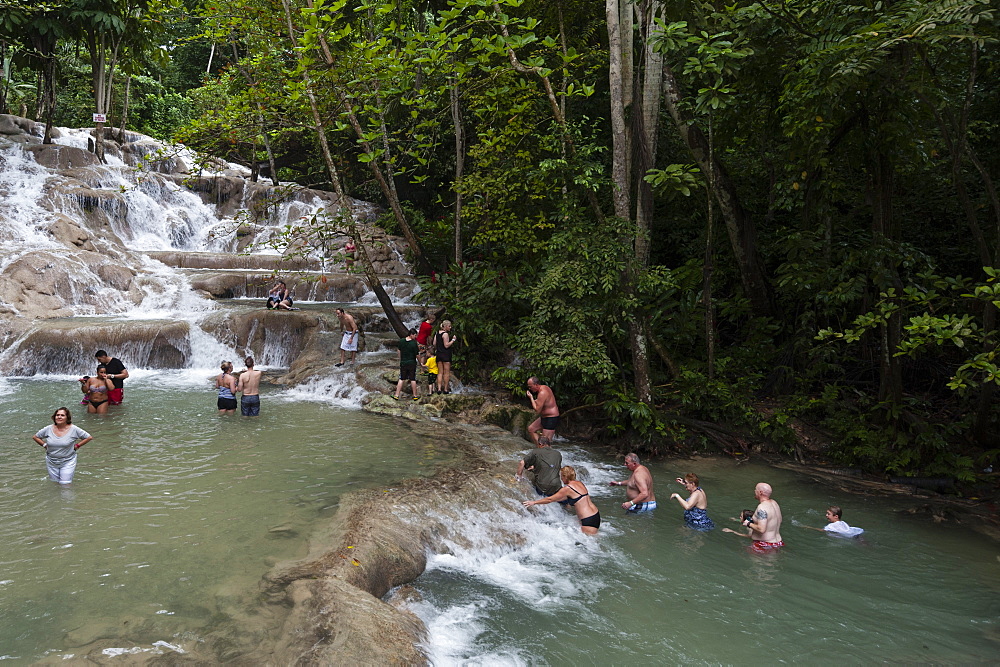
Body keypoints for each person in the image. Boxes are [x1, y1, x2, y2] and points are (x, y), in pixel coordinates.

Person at [523, 466, 601, 535]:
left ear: (565, 476)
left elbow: (550, 499)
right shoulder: (579, 483)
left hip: (587, 520)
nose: (561, 478)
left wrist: (534, 502)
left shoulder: (567, 489)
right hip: (595, 515)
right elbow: (574, 498)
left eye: (561, 476)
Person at [33, 407, 92, 485]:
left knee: (65, 484)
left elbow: (88, 437)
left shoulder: (74, 429)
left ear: (67, 417)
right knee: (54, 483)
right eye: (57, 415)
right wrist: (44, 445)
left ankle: (67, 497)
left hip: (68, 460)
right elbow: (35, 437)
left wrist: (77, 445)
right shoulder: (48, 429)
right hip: (51, 461)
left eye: (62, 415)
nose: (59, 417)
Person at [722, 482, 784, 552]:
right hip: (778, 543)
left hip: (764, 544)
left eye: (755, 490)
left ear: (760, 492)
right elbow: (779, 520)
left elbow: (761, 529)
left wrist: (748, 523)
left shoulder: (762, 507)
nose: (754, 491)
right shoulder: (774, 503)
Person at [525, 376, 559, 445]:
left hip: (551, 418)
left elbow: (537, 410)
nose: (530, 389)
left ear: (536, 385)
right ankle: (539, 447)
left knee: (546, 442)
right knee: (531, 429)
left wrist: (531, 398)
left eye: (530, 387)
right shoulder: (543, 387)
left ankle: (544, 451)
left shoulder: (542, 393)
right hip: (544, 417)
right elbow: (543, 402)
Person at [393, 328, 420, 401]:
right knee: (412, 379)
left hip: (403, 363)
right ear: (411, 335)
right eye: (415, 335)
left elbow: (399, 350)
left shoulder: (402, 341)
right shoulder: (414, 343)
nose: (415, 337)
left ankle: (396, 395)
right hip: (412, 363)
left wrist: (400, 359)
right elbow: (417, 354)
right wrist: (421, 363)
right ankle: (415, 395)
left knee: (401, 378)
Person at [434, 320, 455, 393]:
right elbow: (446, 345)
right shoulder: (445, 334)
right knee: (446, 372)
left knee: (440, 372)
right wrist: (453, 340)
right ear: (445, 326)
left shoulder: (437, 333)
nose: (450, 327)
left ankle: (439, 389)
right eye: (449, 326)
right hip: (445, 354)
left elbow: (434, 343)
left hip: (439, 354)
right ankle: (445, 389)